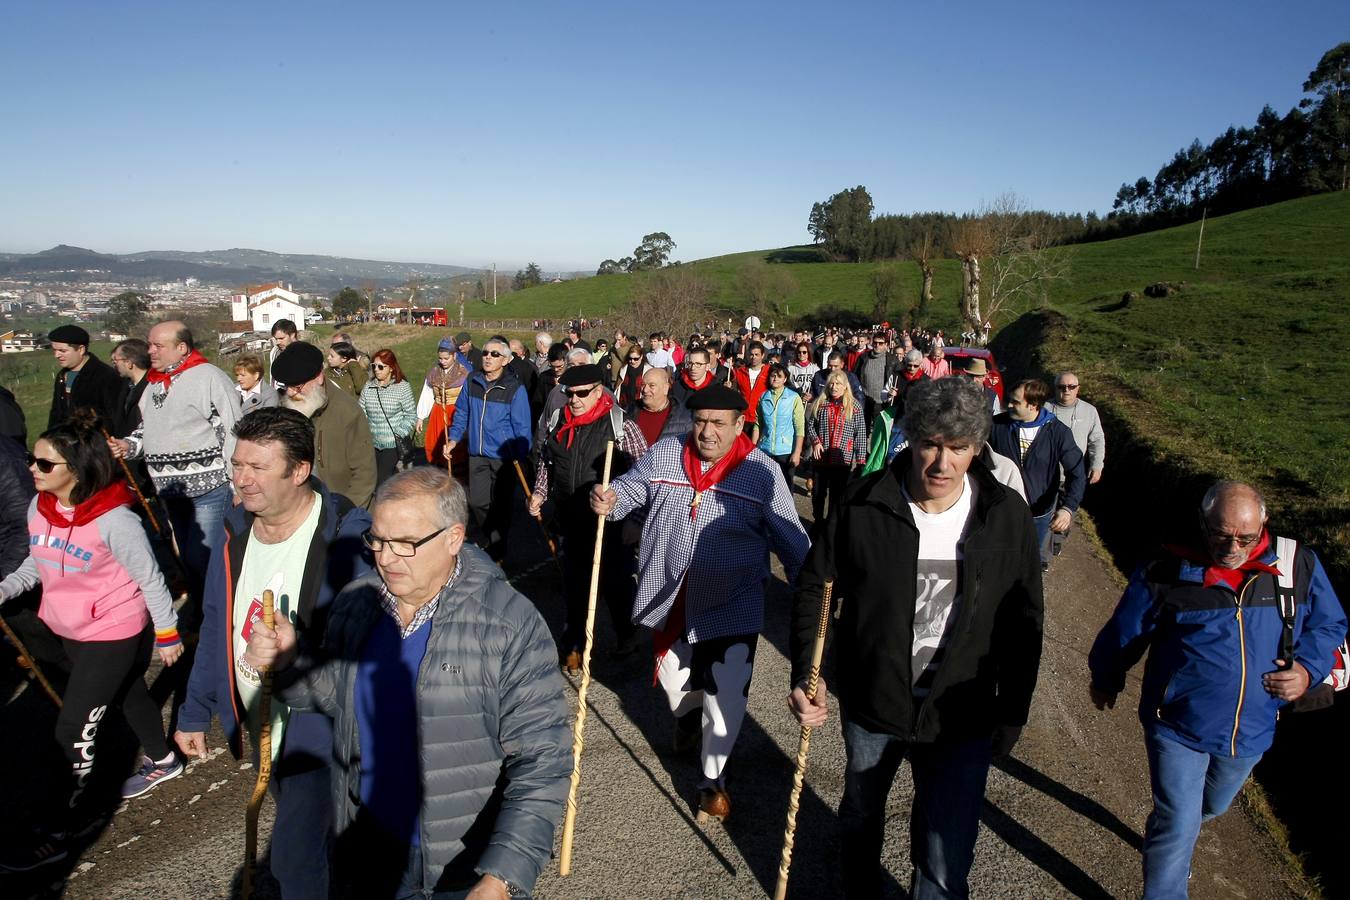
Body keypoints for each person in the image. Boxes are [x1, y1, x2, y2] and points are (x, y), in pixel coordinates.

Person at [242, 467, 570, 898]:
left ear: (453, 538)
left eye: (405, 544)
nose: (386, 558)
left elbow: (543, 761)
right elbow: (334, 695)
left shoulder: (509, 624)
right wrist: (290, 662)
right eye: (377, 540)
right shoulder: (357, 603)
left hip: (461, 866)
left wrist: (503, 875)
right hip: (367, 852)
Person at [789, 376, 1044, 899]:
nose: (941, 464)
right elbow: (817, 585)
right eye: (930, 444)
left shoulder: (1005, 517)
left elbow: (1024, 620)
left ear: (977, 448)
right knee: (860, 814)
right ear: (910, 438)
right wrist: (806, 673)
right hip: (874, 701)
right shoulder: (863, 503)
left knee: (945, 849)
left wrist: (1013, 708)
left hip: (961, 713)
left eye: (958, 449)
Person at [1088, 481, 1346, 900]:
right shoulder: (1166, 569)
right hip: (1175, 724)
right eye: (1221, 535)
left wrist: (1307, 669)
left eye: (1245, 538)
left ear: (1263, 524)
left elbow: (1330, 624)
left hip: (1253, 729)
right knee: (1179, 821)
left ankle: (1172, 831)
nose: (1232, 547)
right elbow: (1126, 630)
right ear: (1203, 523)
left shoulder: (1297, 565)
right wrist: (1106, 676)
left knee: (1212, 806)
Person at [173, 408, 370, 899]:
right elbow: (216, 622)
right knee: (317, 846)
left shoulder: (346, 535)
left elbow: (366, 645)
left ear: (299, 470)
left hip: (320, 728)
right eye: (237, 465)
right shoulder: (233, 529)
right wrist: (195, 710)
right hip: (262, 721)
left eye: (257, 468)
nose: (242, 480)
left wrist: (297, 654)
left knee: (293, 859)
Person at [590, 384, 810, 822]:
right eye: (701, 421)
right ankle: (688, 720)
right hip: (670, 596)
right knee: (676, 686)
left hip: (734, 601)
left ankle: (713, 781)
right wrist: (611, 500)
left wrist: (815, 582)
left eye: (718, 424)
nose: (707, 432)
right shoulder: (667, 452)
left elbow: (791, 537)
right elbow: (631, 490)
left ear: (740, 426)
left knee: (726, 691)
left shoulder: (761, 471)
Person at [0, 414, 186, 873]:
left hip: (114, 630)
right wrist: (3, 588)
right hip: (70, 628)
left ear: (76, 470)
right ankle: (164, 760)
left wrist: (167, 634)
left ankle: (59, 831)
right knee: (128, 694)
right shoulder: (39, 509)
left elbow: (150, 578)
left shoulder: (115, 520)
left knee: (71, 730)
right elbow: (36, 567)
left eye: (44, 463)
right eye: (32, 459)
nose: (32, 470)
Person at [111, 320, 240, 618]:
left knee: (203, 557)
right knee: (187, 558)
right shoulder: (153, 384)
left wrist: (236, 482)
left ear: (181, 348)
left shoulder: (209, 377)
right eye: (149, 344)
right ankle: (203, 612)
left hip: (208, 488)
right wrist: (130, 445)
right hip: (170, 491)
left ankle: (223, 615)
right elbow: (150, 429)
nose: (150, 350)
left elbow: (232, 429)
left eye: (158, 345)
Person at [529, 364, 648, 671]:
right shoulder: (559, 420)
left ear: (598, 391)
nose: (574, 400)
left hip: (612, 520)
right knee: (575, 581)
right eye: (570, 394)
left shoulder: (620, 425)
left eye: (582, 394)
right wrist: (540, 492)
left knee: (615, 583)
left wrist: (636, 520)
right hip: (570, 515)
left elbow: (646, 475)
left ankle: (628, 635)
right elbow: (547, 462)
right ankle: (575, 643)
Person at [445, 335, 533, 560]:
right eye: (485, 353)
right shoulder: (473, 380)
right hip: (477, 453)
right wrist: (454, 439)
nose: (488, 357)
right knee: (478, 502)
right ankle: (491, 533)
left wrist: (521, 454)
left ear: (505, 360)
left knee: (502, 505)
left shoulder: (514, 388)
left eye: (495, 354)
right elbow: (462, 412)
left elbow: (522, 426)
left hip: (504, 457)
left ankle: (498, 549)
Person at [990, 379, 1085, 569]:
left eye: (1015, 402)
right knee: (996, 563)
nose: (1008, 405)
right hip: (1000, 511)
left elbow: (1077, 472)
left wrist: (1068, 508)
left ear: (1033, 405)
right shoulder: (995, 425)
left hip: (1038, 515)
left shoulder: (1057, 432)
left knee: (1027, 565)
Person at [275, 341, 377, 509]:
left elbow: (364, 474)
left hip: (338, 509)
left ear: (319, 377)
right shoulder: (286, 407)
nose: (291, 393)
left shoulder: (347, 412)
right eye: (287, 386)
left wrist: (345, 514)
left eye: (297, 386)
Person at [806, 370, 867, 525]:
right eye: (831, 383)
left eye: (838, 383)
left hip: (842, 458)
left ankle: (833, 524)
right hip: (821, 456)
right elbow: (811, 426)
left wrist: (861, 461)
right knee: (818, 493)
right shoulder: (821, 403)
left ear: (845, 386)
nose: (834, 387)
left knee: (837, 494)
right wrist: (816, 441)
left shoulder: (854, 407)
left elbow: (860, 434)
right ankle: (818, 521)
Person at [47, 324, 125, 431]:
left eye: (62, 351)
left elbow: (115, 419)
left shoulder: (106, 377)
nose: (56, 355)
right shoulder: (61, 376)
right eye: (54, 350)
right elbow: (56, 414)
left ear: (81, 349)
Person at [359, 349, 417, 487]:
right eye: (374, 366)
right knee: (371, 480)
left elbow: (411, 415)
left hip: (392, 444)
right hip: (372, 443)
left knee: (382, 481)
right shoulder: (368, 387)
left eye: (380, 366)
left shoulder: (402, 387)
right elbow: (361, 412)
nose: (376, 370)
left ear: (391, 368)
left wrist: (398, 433)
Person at [415, 337, 470, 467]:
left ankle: (456, 473)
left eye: (446, 358)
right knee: (435, 444)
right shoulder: (434, 372)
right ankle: (438, 470)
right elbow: (427, 393)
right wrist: (421, 417)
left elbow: (468, 398)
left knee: (455, 446)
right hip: (438, 412)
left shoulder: (463, 373)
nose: (443, 361)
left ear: (454, 355)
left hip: (455, 412)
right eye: (440, 358)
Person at [752, 363, 805, 487]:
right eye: (773, 375)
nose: (775, 378)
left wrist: (797, 452)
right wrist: (753, 448)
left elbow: (800, 427)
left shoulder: (793, 398)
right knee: (763, 487)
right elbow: (757, 424)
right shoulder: (763, 397)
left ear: (785, 379)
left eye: (779, 376)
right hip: (765, 449)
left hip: (785, 451)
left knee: (784, 488)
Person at [628, 367, 691, 448]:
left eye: (652, 385)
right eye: (643, 385)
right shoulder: (629, 411)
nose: (645, 390)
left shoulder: (684, 419)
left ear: (665, 388)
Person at [851, 331, 901, 429]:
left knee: (880, 433)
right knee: (862, 432)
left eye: (880, 343)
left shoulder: (893, 360)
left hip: (883, 403)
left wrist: (894, 392)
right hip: (864, 401)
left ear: (886, 345)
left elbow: (899, 380)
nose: (877, 345)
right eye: (875, 343)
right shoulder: (863, 357)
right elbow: (854, 377)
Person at [110, 338, 152, 437]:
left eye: (116, 360)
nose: (115, 365)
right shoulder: (126, 386)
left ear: (129, 363)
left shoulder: (152, 388)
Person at [731, 341, 770, 435]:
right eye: (751, 354)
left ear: (763, 355)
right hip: (744, 417)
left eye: (757, 354)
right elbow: (734, 392)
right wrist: (730, 386)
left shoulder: (769, 372)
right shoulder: (740, 372)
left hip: (761, 418)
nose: (754, 357)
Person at [269, 319, 299, 388]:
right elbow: (272, 379)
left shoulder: (305, 353)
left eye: (281, 338)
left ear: (292, 335)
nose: (278, 342)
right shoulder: (275, 351)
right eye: (276, 339)